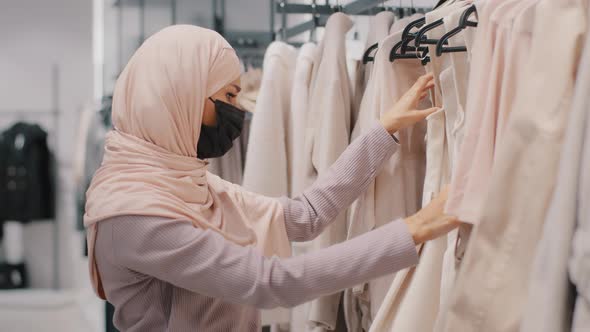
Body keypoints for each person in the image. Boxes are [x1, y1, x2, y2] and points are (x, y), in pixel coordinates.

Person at [84, 25, 459, 331]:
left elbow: (304, 215)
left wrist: (383, 130)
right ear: (178, 95)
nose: (237, 111)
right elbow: (272, 282)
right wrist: (415, 229)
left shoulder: (190, 186)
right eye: (229, 95)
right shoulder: (135, 215)